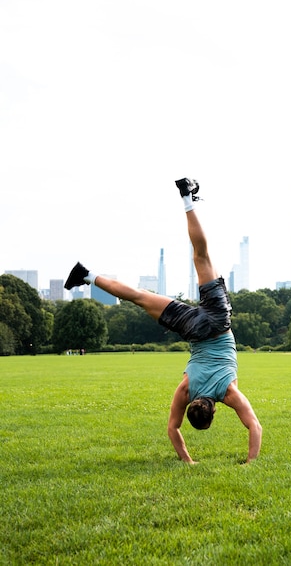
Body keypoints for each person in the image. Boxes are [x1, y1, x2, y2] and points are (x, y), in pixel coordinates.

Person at [64, 178, 262, 464]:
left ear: (214, 410)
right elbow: (172, 428)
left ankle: (187, 198)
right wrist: (188, 461)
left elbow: (254, 426)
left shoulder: (227, 392)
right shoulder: (186, 389)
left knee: (202, 258)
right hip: (194, 329)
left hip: (218, 323)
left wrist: (250, 461)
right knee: (139, 296)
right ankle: (85, 275)